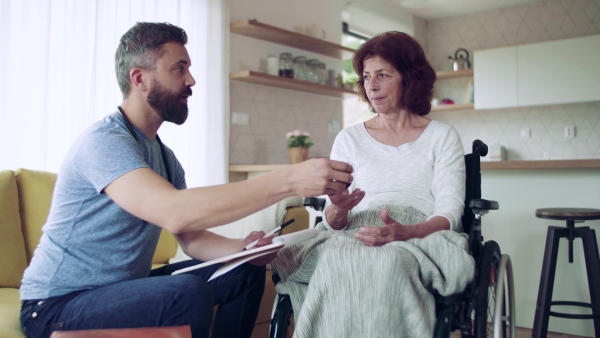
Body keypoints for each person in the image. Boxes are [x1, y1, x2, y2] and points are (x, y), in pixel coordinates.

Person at [19, 22, 353, 338]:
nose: (191, 80)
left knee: (245, 272)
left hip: (116, 291)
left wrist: (244, 250)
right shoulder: (105, 142)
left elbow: (190, 236)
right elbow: (175, 212)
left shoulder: (164, 158)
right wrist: (290, 179)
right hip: (56, 305)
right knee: (186, 292)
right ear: (140, 78)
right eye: (179, 69)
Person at [270, 31, 474, 338]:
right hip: (356, 230)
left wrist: (405, 232)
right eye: (366, 77)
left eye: (382, 75)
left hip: (417, 232)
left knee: (391, 263)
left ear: (409, 78)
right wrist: (337, 209)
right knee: (337, 257)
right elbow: (335, 222)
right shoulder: (349, 139)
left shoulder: (442, 137)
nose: (372, 85)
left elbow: (449, 211)